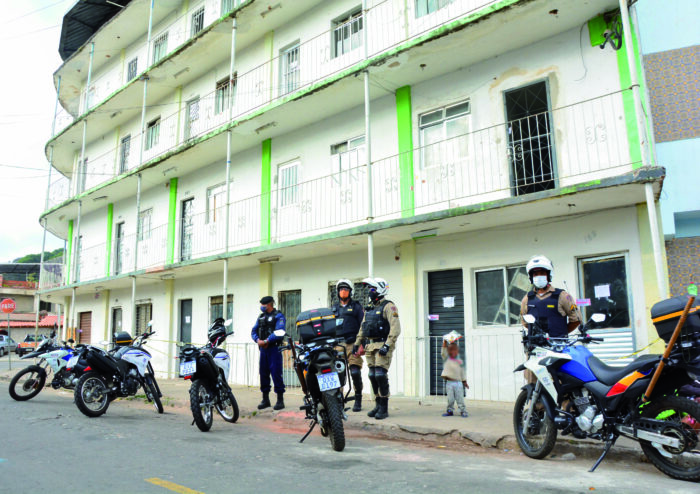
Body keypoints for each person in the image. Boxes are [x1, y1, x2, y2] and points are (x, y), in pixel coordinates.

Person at [520, 255, 581, 382]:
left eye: (542, 273)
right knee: (535, 385)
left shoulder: (563, 296)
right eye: (535, 274)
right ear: (531, 277)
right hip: (536, 350)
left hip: (557, 349)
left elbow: (576, 319)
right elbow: (525, 323)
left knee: (561, 385)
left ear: (549, 275)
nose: (538, 276)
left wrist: (560, 334)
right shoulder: (527, 299)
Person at [353, 277, 401, 420]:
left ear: (380, 290)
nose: (370, 292)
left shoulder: (389, 306)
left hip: (382, 345)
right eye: (369, 289)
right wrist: (357, 343)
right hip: (370, 345)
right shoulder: (369, 308)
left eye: (372, 289)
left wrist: (388, 345)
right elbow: (363, 327)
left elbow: (395, 328)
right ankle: (377, 405)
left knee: (380, 375)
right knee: (372, 375)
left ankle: (384, 407)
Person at [331, 279, 365, 412]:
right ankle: (338, 401)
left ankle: (358, 399)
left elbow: (364, 325)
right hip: (337, 345)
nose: (343, 292)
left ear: (350, 292)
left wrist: (362, 344)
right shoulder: (333, 308)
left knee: (355, 372)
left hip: (353, 344)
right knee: (339, 374)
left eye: (345, 290)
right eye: (341, 290)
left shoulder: (356, 307)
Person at [251, 296, 287, 410]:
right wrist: (258, 340)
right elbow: (253, 331)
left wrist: (267, 341)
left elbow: (280, 331)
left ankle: (280, 400)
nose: (262, 306)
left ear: (270, 304)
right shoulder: (261, 317)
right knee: (263, 373)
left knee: (276, 373)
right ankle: (265, 399)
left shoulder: (278, 316)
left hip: (274, 349)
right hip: (263, 350)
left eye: (264, 304)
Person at [441, 339, 469, 417]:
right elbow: (443, 352)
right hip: (449, 383)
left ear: (457, 351)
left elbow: (462, 372)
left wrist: (464, 382)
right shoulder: (446, 359)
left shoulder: (459, 361)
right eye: (450, 350)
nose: (452, 352)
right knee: (450, 399)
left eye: (454, 350)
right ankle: (450, 410)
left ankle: (463, 410)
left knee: (460, 398)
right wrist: (445, 343)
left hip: (458, 383)